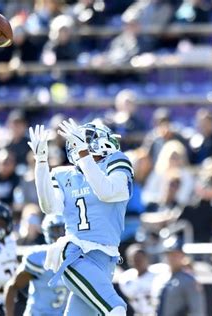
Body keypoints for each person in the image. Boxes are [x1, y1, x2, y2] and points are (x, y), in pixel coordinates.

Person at [29, 120, 134, 315]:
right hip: (76, 255)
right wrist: (41, 162)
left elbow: (107, 191)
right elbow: (49, 206)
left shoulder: (116, 163)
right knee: (116, 308)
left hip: (105, 258)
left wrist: (85, 156)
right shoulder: (64, 174)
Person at [5, 214, 69, 316]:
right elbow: (12, 286)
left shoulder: (77, 258)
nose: (61, 235)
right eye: (57, 230)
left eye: (64, 230)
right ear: (48, 232)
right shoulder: (39, 258)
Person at [153, 237, 206, 316]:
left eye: (176, 254)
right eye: (169, 254)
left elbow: (197, 311)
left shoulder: (189, 281)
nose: (172, 258)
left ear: (182, 256)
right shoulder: (160, 278)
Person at [118, 244, 166, 316]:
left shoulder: (159, 272)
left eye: (140, 258)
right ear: (129, 261)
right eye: (135, 259)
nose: (138, 262)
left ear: (147, 258)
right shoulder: (125, 279)